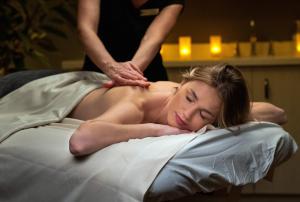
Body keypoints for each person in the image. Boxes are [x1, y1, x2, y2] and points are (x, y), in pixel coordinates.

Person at [68, 64, 287, 156]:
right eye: (189, 98)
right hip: (60, 92)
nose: (187, 115)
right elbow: (80, 141)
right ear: (181, 84)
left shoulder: (208, 100)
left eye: (204, 114)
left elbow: (278, 113)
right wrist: (156, 130)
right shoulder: (138, 103)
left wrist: (229, 116)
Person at [77, 0, 185, 87]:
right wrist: (110, 67)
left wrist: (129, 76)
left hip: (145, 74)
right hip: (98, 70)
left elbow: (153, 39)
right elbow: (86, 29)